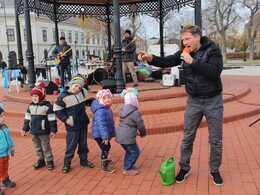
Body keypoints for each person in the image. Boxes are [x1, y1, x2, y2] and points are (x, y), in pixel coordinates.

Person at [137, 25, 224, 185]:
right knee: (187, 137)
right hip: (194, 101)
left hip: (213, 100)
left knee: (216, 139)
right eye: (183, 39)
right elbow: (169, 60)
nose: (185, 42)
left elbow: (215, 71)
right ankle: (184, 167)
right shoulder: (185, 51)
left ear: (197, 37)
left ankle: (215, 170)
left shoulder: (213, 50)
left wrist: (193, 62)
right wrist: (151, 58)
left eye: (187, 38)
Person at [53, 75, 94, 173]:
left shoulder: (82, 92)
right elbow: (56, 109)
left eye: (79, 87)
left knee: (83, 143)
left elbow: (85, 87)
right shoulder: (63, 97)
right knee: (71, 144)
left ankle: (83, 160)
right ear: (70, 85)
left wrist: (82, 80)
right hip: (72, 124)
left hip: (83, 122)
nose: (77, 89)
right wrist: (66, 119)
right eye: (75, 86)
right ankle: (67, 163)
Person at [21, 82, 57, 170]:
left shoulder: (47, 107)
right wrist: (25, 129)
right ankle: (40, 161)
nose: (34, 98)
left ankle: (50, 161)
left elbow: (52, 120)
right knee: (37, 147)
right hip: (34, 131)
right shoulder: (30, 107)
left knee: (46, 147)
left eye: (36, 96)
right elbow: (27, 119)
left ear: (41, 96)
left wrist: (53, 130)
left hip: (43, 131)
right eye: (33, 96)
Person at [115, 88, 146, 175]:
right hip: (127, 137)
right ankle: (127, 169)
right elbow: (141, 125)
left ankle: (128, 165)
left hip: (120, 134)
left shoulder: (122, 109)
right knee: (135, 152)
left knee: (129, 151)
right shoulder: (136, 112)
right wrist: (143, 133)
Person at [91, 89, 115, 174]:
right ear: (100, 100)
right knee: (105, 148)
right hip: (99, 134)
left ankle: (105, 160)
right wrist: (105, 137)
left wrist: (111, 133)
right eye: (105, 98)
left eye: (109, 97)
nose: (108, 99)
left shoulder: (107, 109)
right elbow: (101, 125)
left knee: (107, 147)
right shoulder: (101, 111)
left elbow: (110, 123)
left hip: (103, 134)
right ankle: (104, 166)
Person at [0, 107, 16, 195]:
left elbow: (8, 139)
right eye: (1, 116)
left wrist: (11, 147)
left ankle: (5, 180)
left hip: (5, 154)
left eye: (4, 116)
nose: (4, 118)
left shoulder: (4, 127)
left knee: (5, 168)